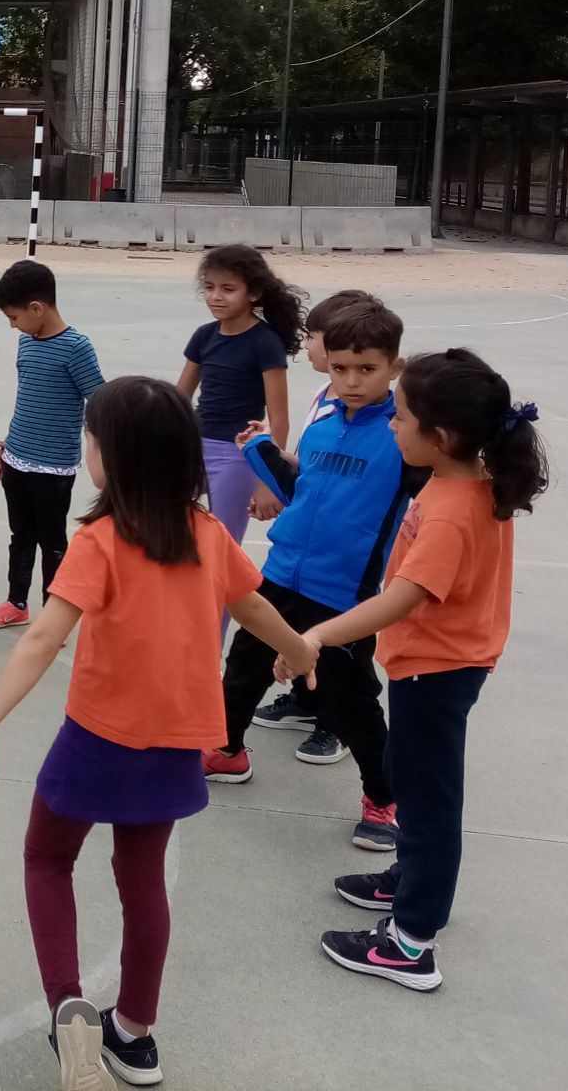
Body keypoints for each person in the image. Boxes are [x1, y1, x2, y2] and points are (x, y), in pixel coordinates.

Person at [0, 376, 318, 1090]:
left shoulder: (100, 540)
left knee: (47, 858)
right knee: (142, 880)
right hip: (176, 741)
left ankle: (68, 1006)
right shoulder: (208, 534)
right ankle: (135, 1032)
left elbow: (43, 639)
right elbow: (253, 607)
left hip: (98, 736)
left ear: (108, 456)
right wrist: (300, 652)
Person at [281, 349, 546, 992]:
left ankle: (411, 941)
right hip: (434, 663)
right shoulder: (462, 480)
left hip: (438, 669)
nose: (392, 426)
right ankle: (409, 879)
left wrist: (315, 635)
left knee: (428, 803)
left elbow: (402, 597)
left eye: (399, 417)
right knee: (413, 777)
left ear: (442, 436)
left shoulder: (452, 509)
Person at [203, 301, 420, 857]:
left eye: (367, 369)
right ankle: (227, 752)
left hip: (342, 593)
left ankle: (383, 798)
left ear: (394, 367)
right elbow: (302, 490)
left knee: (352, 700)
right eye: (341, 367)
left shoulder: (404, 438)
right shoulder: (322, 423)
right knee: (243, 670)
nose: (351, 381)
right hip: (279, 574)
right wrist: (261, 451)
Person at [248, 289, 387, 760]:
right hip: (303, 553)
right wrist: (266, 456)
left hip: (347, 564)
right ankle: (307, 702)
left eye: (315, 337)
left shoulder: (382, 420)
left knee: (345, 650)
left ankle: (336, 725)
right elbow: (310, 470)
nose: (308, 346)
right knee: (300, 632)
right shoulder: (325, 402)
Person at [0, 259, 105, 631]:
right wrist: (10, 448)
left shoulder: (76, 348)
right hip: (17, 459)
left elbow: (99, 401)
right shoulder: (26, 343)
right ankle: (16, 602)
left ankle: (53, 615)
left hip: (54, 465)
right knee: (21, 535)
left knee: (52, 540)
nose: (12, 325)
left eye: (14, 317)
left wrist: (103, 455)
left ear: (37, 308)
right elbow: (28, 398)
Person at [175, 244, 305, 541]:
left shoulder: (265, 343)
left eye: (228, 289)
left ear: (254, 293)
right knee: (165, 526)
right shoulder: (204, 336)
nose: (215, 296)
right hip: (193, 446)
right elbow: (178, 399)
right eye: (209, 287)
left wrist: (268, 480)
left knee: (224, 542)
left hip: (236, 455)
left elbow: (279, 418)